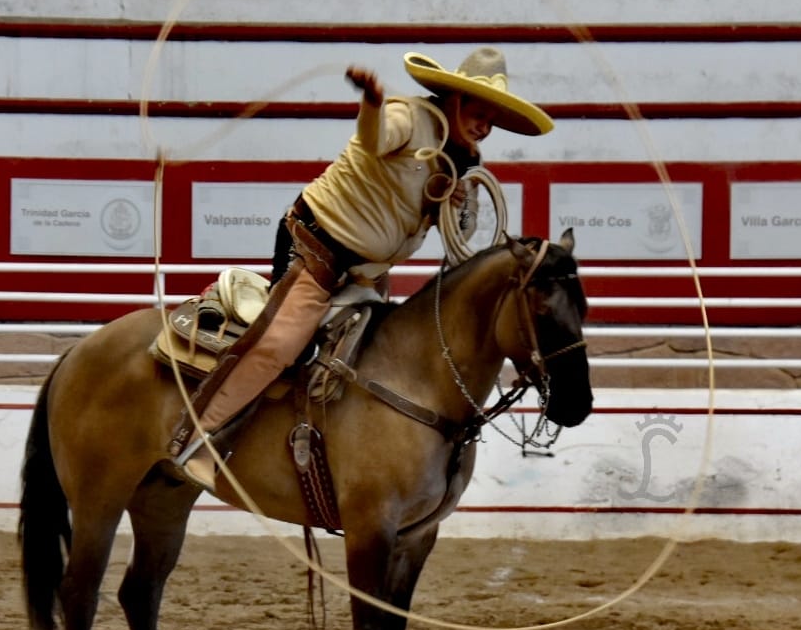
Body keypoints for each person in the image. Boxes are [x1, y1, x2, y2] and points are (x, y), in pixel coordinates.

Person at [173, 46, 554, 489]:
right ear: (454, 101)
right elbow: (375, 138)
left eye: (491, 121)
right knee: (281, 345)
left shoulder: (464, 163)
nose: (484, 127)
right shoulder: (407, 118)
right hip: (318, 247)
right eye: (478, 113)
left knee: (377, 360)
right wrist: (372, 102)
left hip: (368, 271)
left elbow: (462, 230)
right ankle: (199, 437)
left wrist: (457, 200)